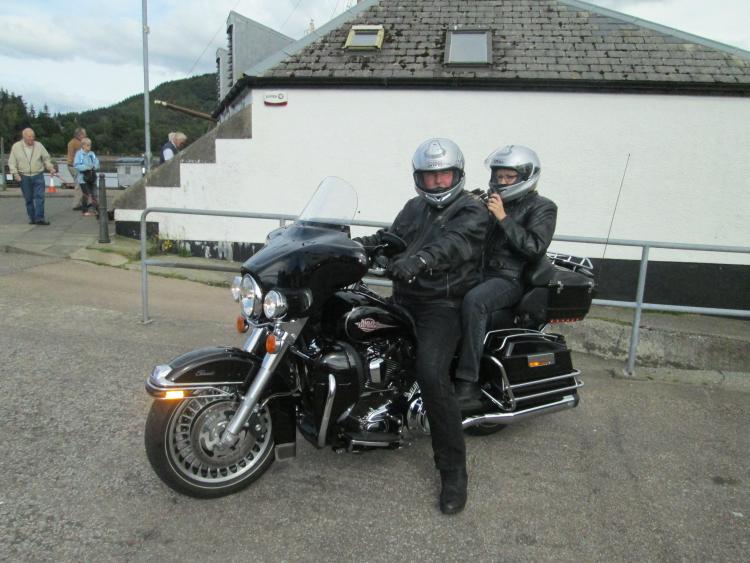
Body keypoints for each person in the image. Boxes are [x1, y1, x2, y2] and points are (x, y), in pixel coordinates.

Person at [354, 138, 488, 515]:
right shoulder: (414, 208)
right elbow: (392, 239)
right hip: (405, 297)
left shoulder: (472, 211)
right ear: (419, 178)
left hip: (442, 305)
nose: (437, 183)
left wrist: (421, 260)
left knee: (431, 372)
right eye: (429, 177)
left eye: (443, 175)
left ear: (457, 175)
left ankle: (453, 473)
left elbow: (454, 244)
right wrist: (354, 244)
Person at [454, 145, 558, 408]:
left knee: (475, 302)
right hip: (476, 272)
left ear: (526, 176)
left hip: (510, 279)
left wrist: (502, 218)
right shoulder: (488, 201)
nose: (501, 182)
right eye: (498, 176)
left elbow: (534, 248)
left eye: (508, 177)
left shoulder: (543, 207)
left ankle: (467, 384)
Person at [8, 128, 56, 225]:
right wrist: (15, 174)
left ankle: (40, 218)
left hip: (38, 174)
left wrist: (50, 167)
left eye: (33, 136)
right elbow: (12, 162)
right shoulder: (16, 147)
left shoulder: (39, 145)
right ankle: (32, 218)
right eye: (29, 136)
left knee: (40, 197)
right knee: (29, 199)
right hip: (23, 176)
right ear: (24, 136)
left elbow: (46, 158)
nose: (32, 139)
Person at [73, 137, 101, 216]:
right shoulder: (79, 154)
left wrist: (94, 167)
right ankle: (84, 210)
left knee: (94, 194)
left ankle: (96, 209)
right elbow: (77, 165)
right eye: (88, 145)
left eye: (90, 145)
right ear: (83, 146)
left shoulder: (92, 154)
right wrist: (87, 167)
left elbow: (97, 162)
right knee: (86, 194)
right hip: (83, 178)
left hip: (92, 177)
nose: (90, 147)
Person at [66, 127, 87, 210]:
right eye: (84, 134)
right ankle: (76, 204)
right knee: (79, 185)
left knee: (78, 184)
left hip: (70, 165)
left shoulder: (71, 142)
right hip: (75, 166)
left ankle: (80, 203)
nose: (86, 135)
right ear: (80, 135)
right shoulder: (79, 143)